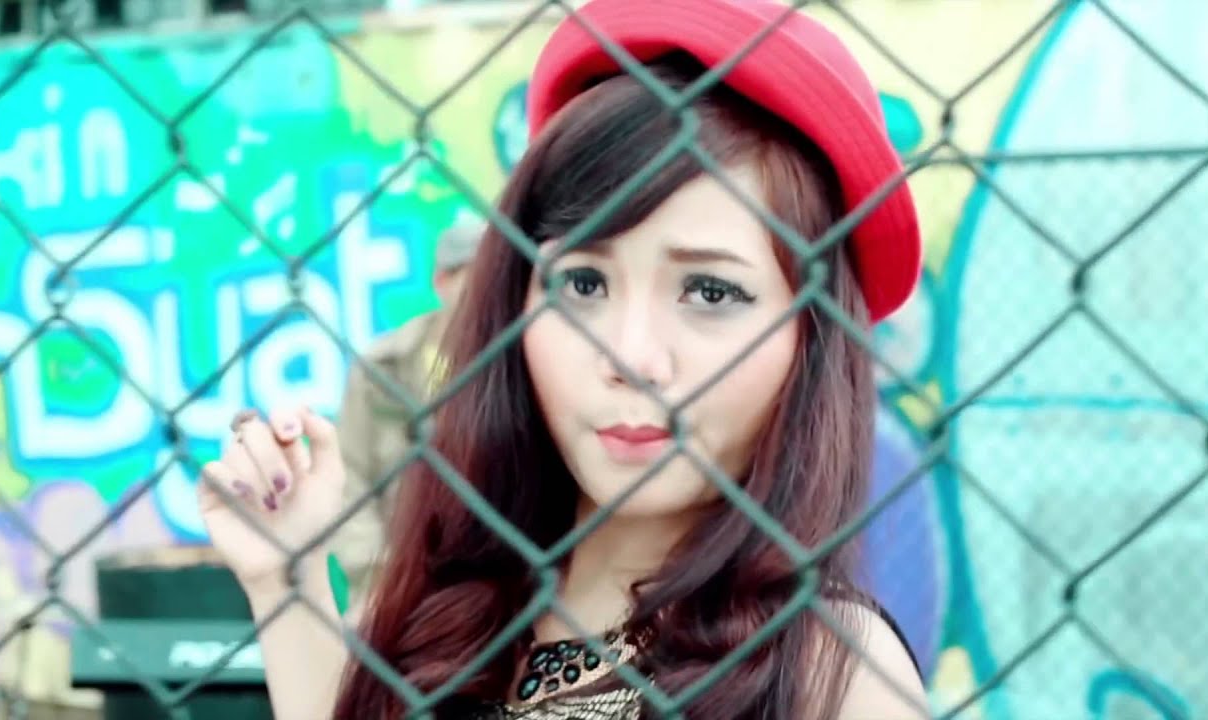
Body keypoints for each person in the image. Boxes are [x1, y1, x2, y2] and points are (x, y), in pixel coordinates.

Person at [195, 0, 929, 718]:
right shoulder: (444, 614)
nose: (630, 356)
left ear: (809, 336)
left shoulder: (832, 671)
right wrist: (285, 579)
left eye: (709, 291)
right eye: (582, 283)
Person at [330, 221, 483, 618]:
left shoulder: (520, 360)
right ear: (442, 282)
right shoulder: (384, 366)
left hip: (490, 578)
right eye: (474, 277)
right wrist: (375, 573)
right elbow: (349, 477)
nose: (486, 293)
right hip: (391, 573)